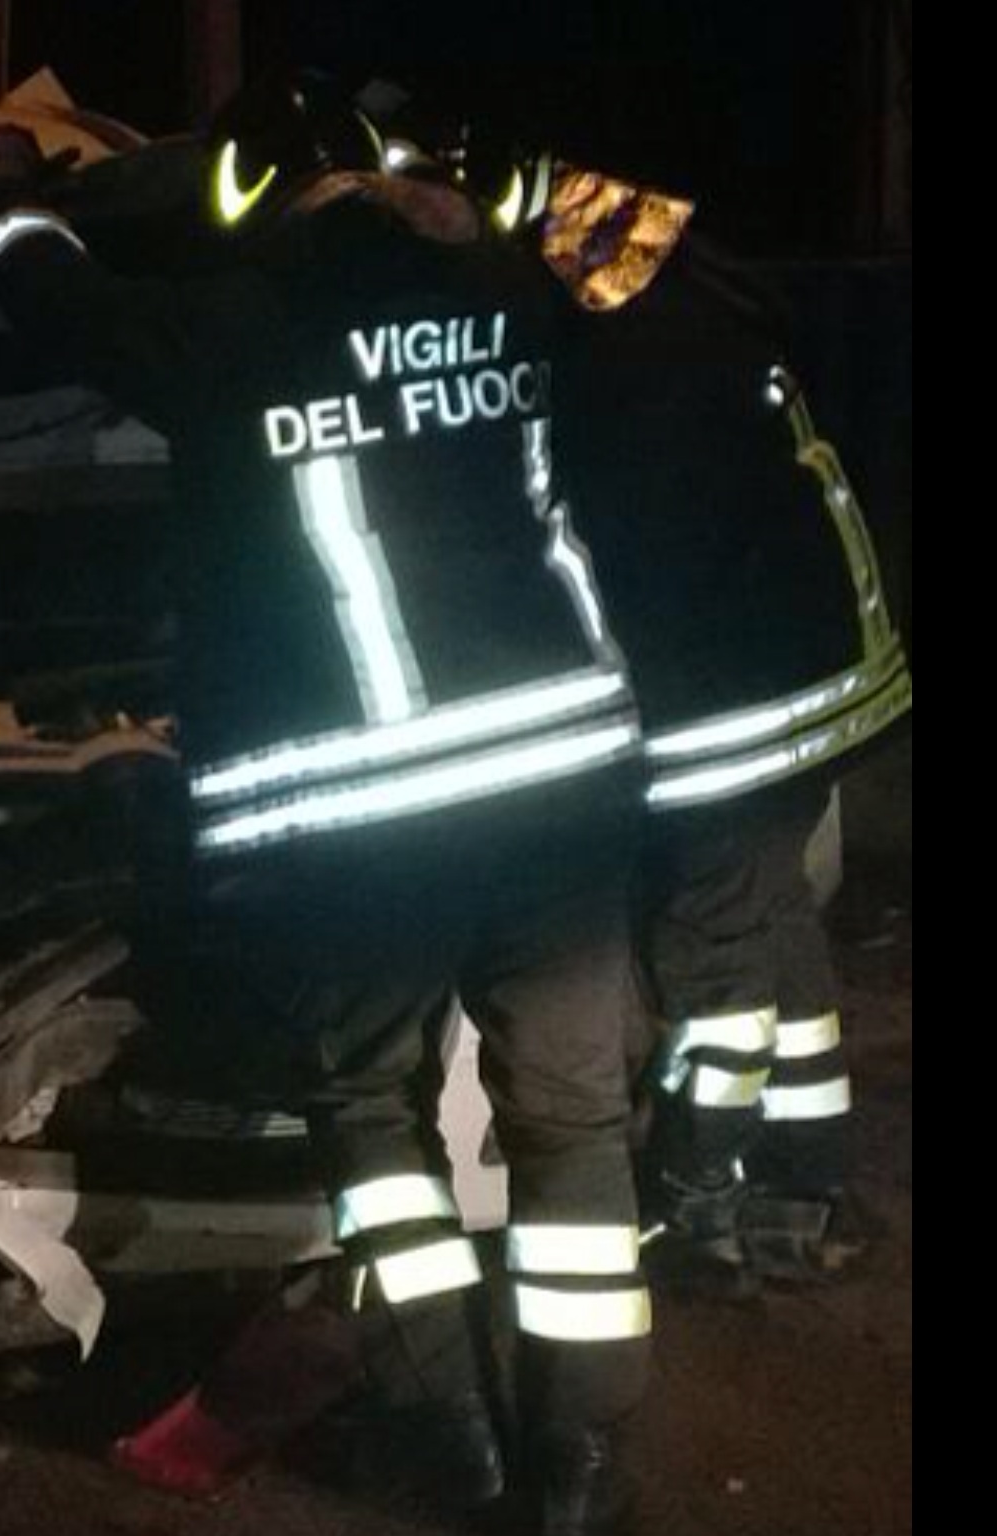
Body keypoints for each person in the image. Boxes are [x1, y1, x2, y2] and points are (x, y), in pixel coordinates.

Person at [0, 72, 653, 1536]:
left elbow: (46, 293)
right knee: (574, 1125)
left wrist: (5, 186)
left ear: (251, 202)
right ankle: (580, 1472)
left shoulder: (230, 327)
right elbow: (637, 256)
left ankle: (450, 1439)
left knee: (370, 1122)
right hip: (559, 792)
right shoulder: (505, 288)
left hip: (365, 825)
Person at [482, 148, 912, 1292]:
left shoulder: (616, 366)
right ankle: (803, 1183)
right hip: (823, 682)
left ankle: (695, 1200)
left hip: (726, 716)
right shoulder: (705, 302)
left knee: (710, 958)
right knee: (771, 918)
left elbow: (584, 541)